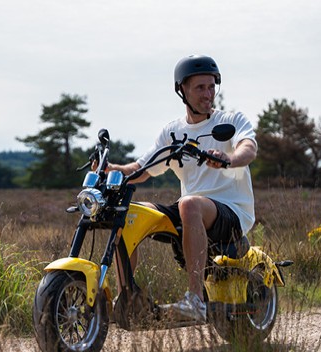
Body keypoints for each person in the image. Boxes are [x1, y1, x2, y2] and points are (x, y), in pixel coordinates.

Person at [93, 54, 257, 321]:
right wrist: (111, 169)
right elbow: (141, 169)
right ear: (182, 90)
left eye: (212, 86)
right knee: (128, 211)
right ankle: (128, 298)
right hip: (191, 211)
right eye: (200, 87)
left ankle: (196, 301)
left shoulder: (231, 120)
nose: (208, 93)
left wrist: (229, 159)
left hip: (232, 213)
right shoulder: (172, 132)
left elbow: (248, 148)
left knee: (189, 202)